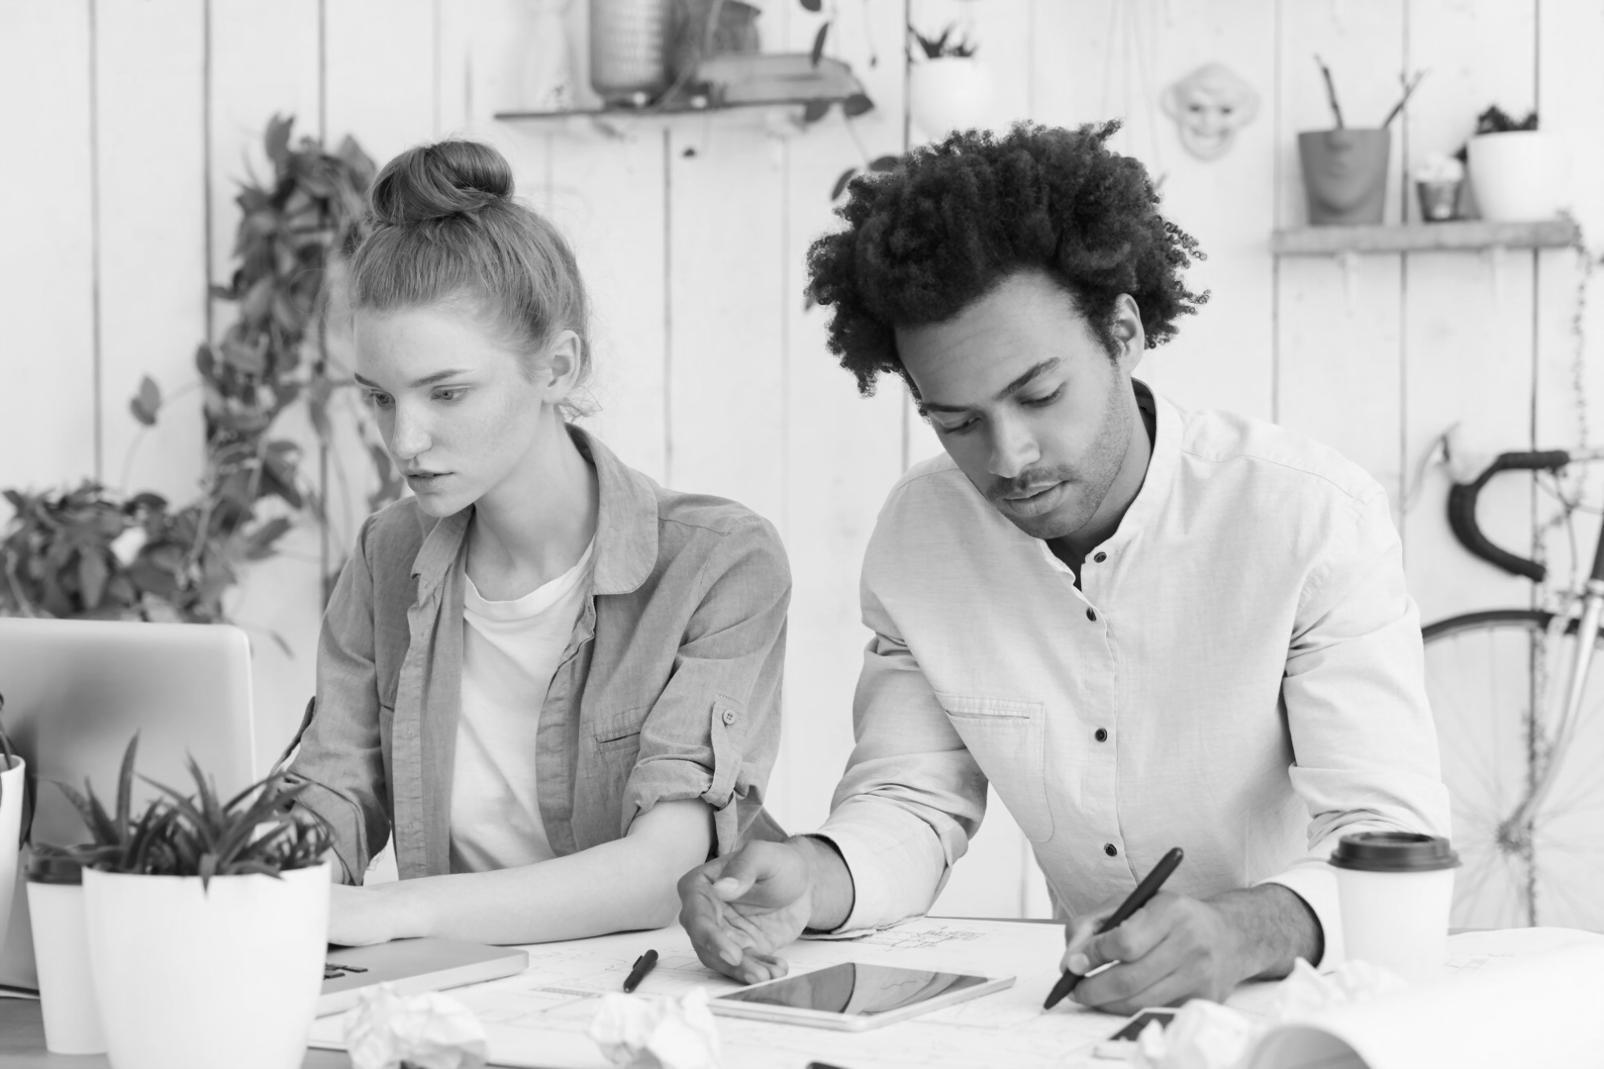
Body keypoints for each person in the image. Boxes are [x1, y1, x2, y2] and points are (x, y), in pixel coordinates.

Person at [677, 121, 1449, 1014]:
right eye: (957, 422)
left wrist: (1245, 929)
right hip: (1092, 1018)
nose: (1008, 457)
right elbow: (911, 802)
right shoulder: (923, 536)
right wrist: (810, 876)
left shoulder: (1307, 518)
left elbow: (1392, 839)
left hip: (1317, 1012)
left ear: (1123, 331)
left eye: (1039, 394)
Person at [282, 139, 790, 946]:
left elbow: (659, 870)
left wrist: (391, 910)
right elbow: (332, 794)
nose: (404, 441)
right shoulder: (388, 555)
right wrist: (245, 869)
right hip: (453, 990)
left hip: (642, 991)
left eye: (448, 392)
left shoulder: (718, 562)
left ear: (557, 367)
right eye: (379, 398)